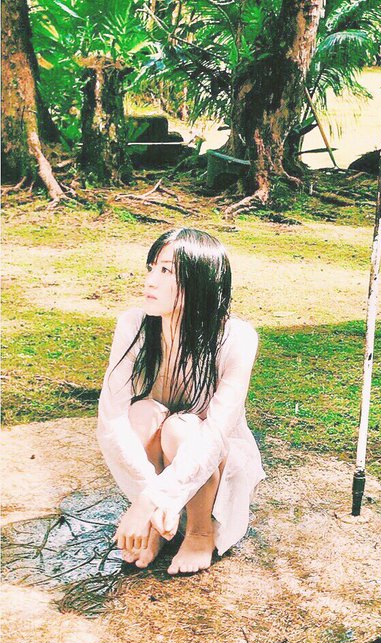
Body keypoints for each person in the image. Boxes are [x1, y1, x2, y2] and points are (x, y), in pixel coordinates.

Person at [96, 228, 265, 575]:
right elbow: (111, 418)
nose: (150, 281)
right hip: (159, 481)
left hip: (213, 463)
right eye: (151, 268)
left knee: (180, 428)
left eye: (166, 271)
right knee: (141, 414)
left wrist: (151, 499)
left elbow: (216, 434)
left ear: (200, 281)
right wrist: (150, 499)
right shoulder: (134, 324)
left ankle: (200, 530)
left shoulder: (237, 338)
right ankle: (158, 526)